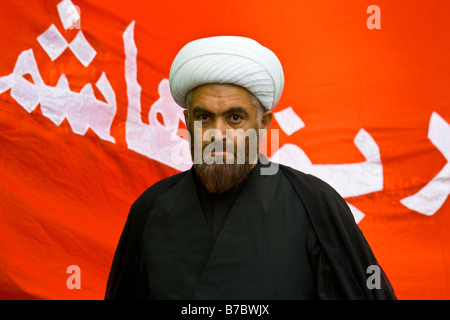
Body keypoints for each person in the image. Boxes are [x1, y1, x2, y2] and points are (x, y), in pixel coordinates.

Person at [105, 36, 396, 300]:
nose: (217, 133)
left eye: (234, 118)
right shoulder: (150, 210)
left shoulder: (316, 206)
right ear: (187, 122)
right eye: (204, 117)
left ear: (264, 123)